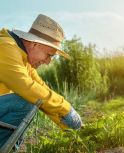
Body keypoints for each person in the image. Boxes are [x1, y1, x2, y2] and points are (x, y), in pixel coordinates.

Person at [0, 14, 82, 147]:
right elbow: (27, 88)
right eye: (49, 55)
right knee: (26, 101)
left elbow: (41, 89)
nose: (48, 62)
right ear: (34, 43)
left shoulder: (24, 60)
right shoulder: (5, 47)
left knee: (33, 101)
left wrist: (64, 123)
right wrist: (65, 108)